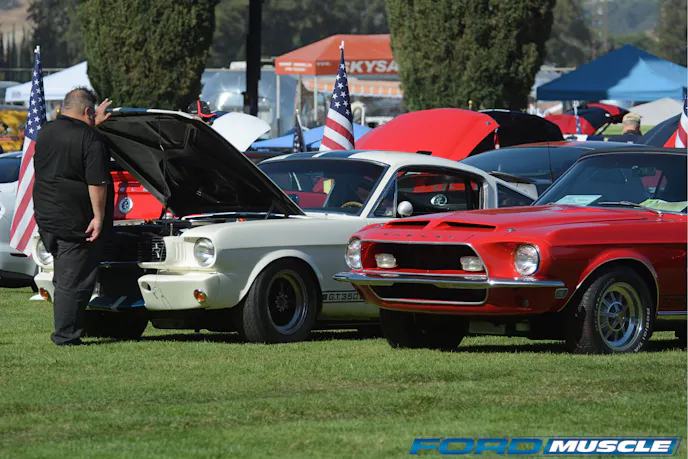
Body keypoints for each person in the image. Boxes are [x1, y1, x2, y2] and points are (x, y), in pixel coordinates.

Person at [33, 87, 113, 346]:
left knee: (64, 276)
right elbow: (97, 182)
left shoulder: (46, 132)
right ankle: (66, 336)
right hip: (76, 220)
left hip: (46, 216)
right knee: (74, 281)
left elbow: (72, 143)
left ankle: (71, 328)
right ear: (89, 111)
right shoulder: (91, 139)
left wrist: (93, 126)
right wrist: (99, 217)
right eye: (92, 114)